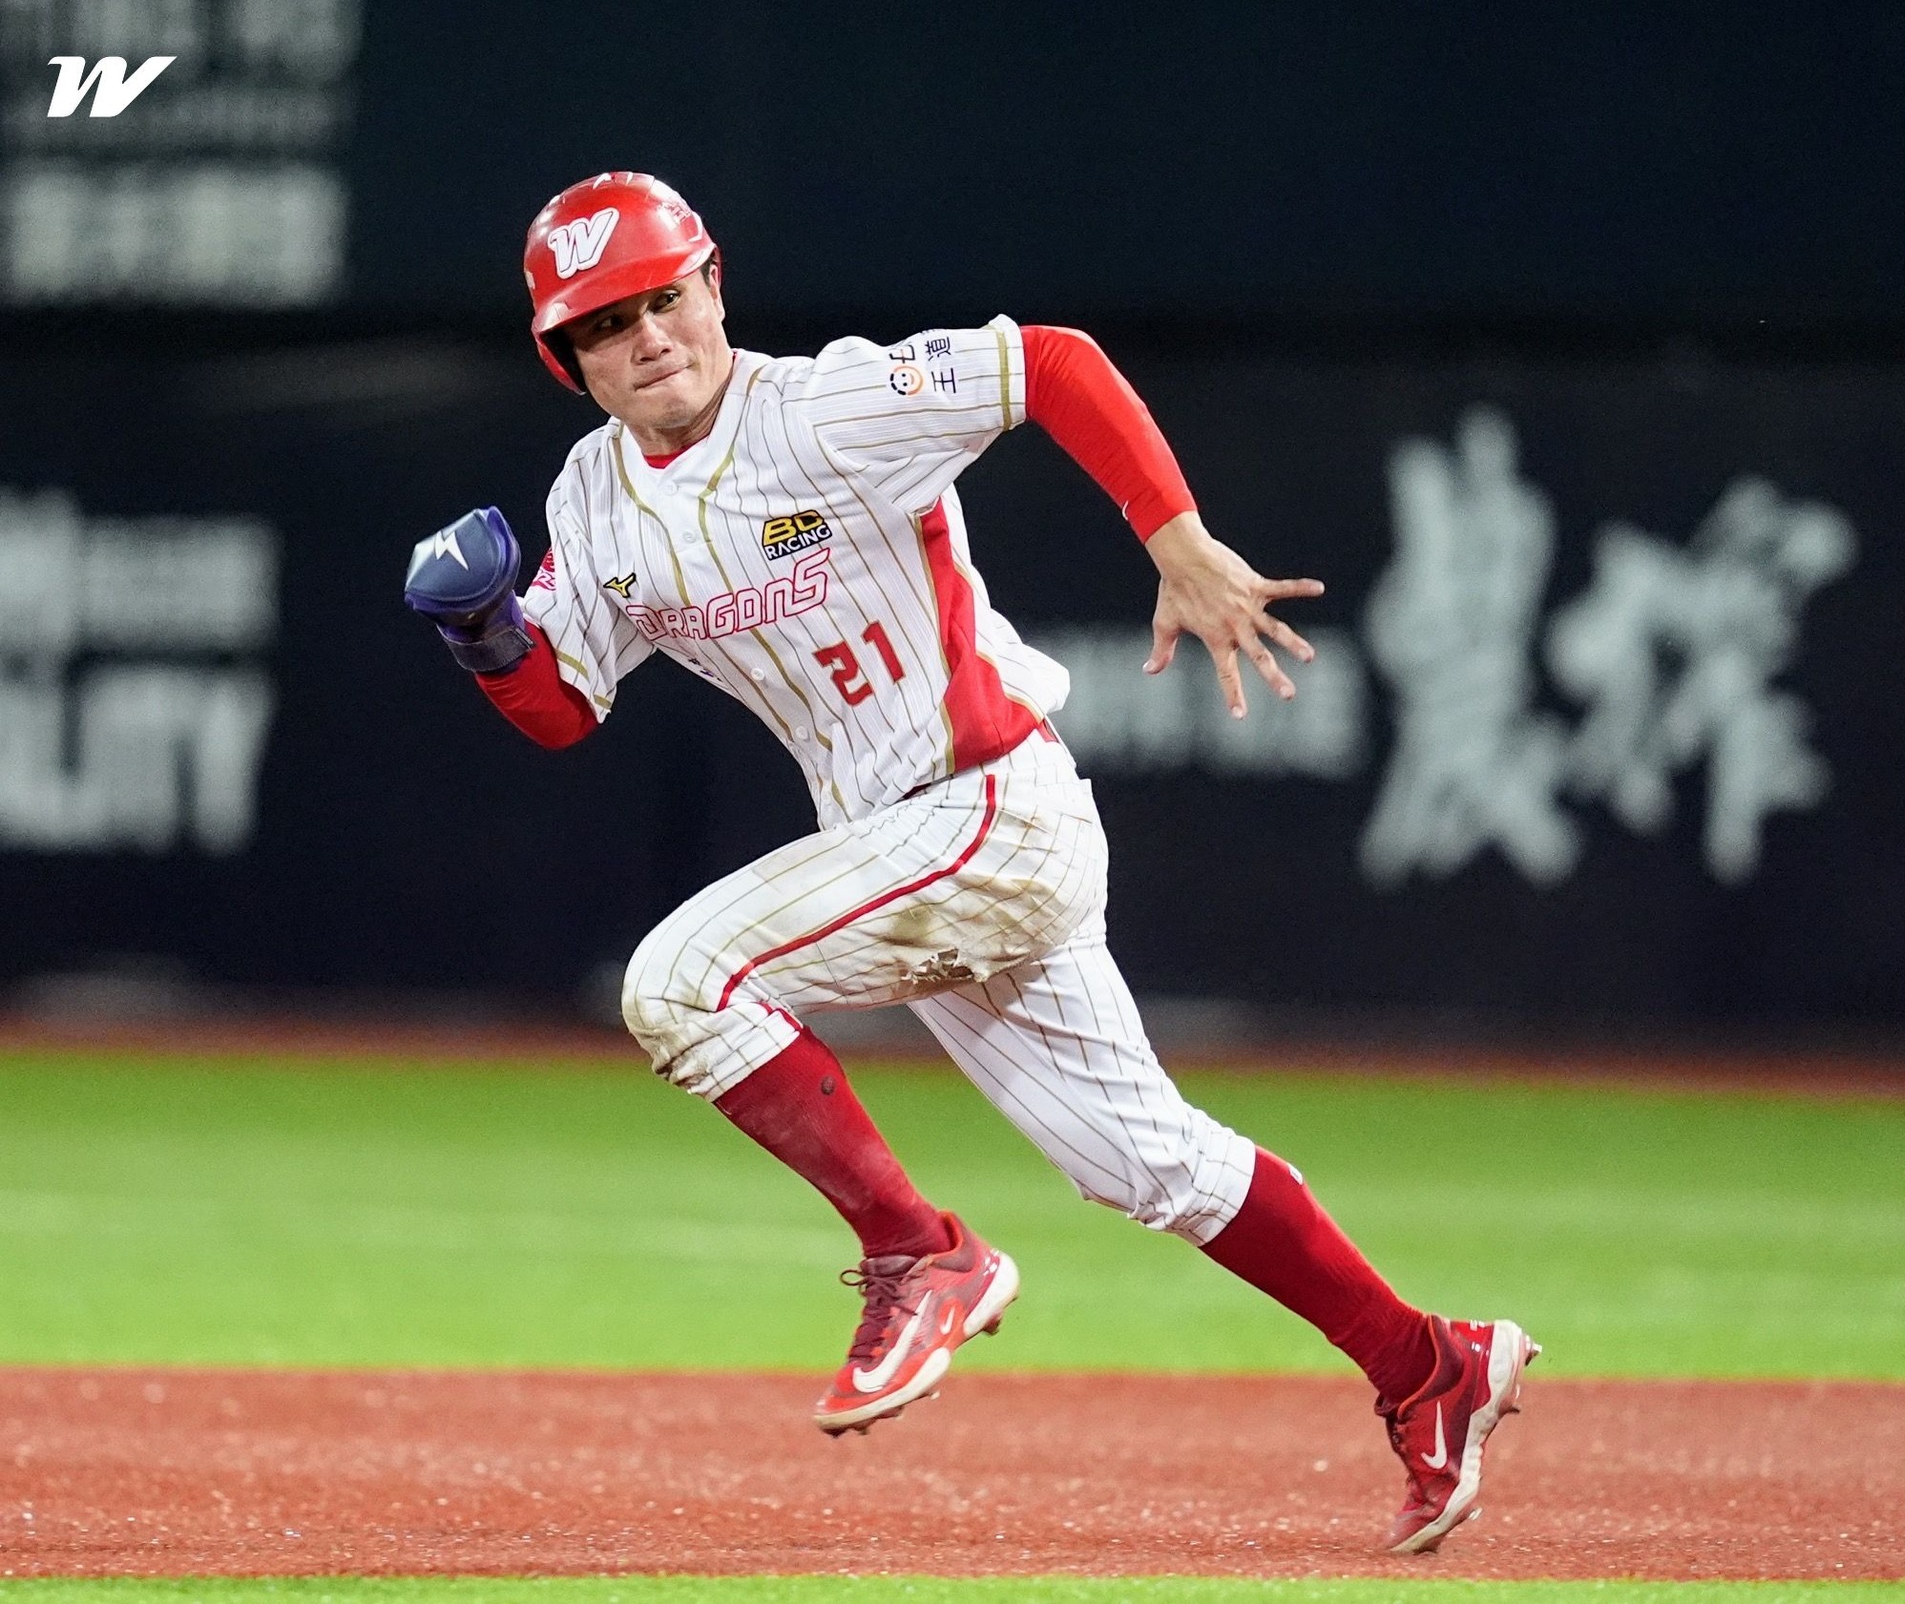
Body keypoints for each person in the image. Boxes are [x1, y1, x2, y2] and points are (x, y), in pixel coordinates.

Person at [403, 171, 1535, 1555]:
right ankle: (1430, 1366)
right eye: (604, 324)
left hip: (990, 811)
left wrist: (1177, 539)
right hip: (909, 853)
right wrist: (485, 636)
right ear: (565, 359)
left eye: (663, 297)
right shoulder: (593, 497)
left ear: (714, 286)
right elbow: (565, 707)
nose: (647, 337)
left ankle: (918, 1252)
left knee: (682, 981)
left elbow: (1052, 363)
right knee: (1152, 1166)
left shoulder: (824, 408)